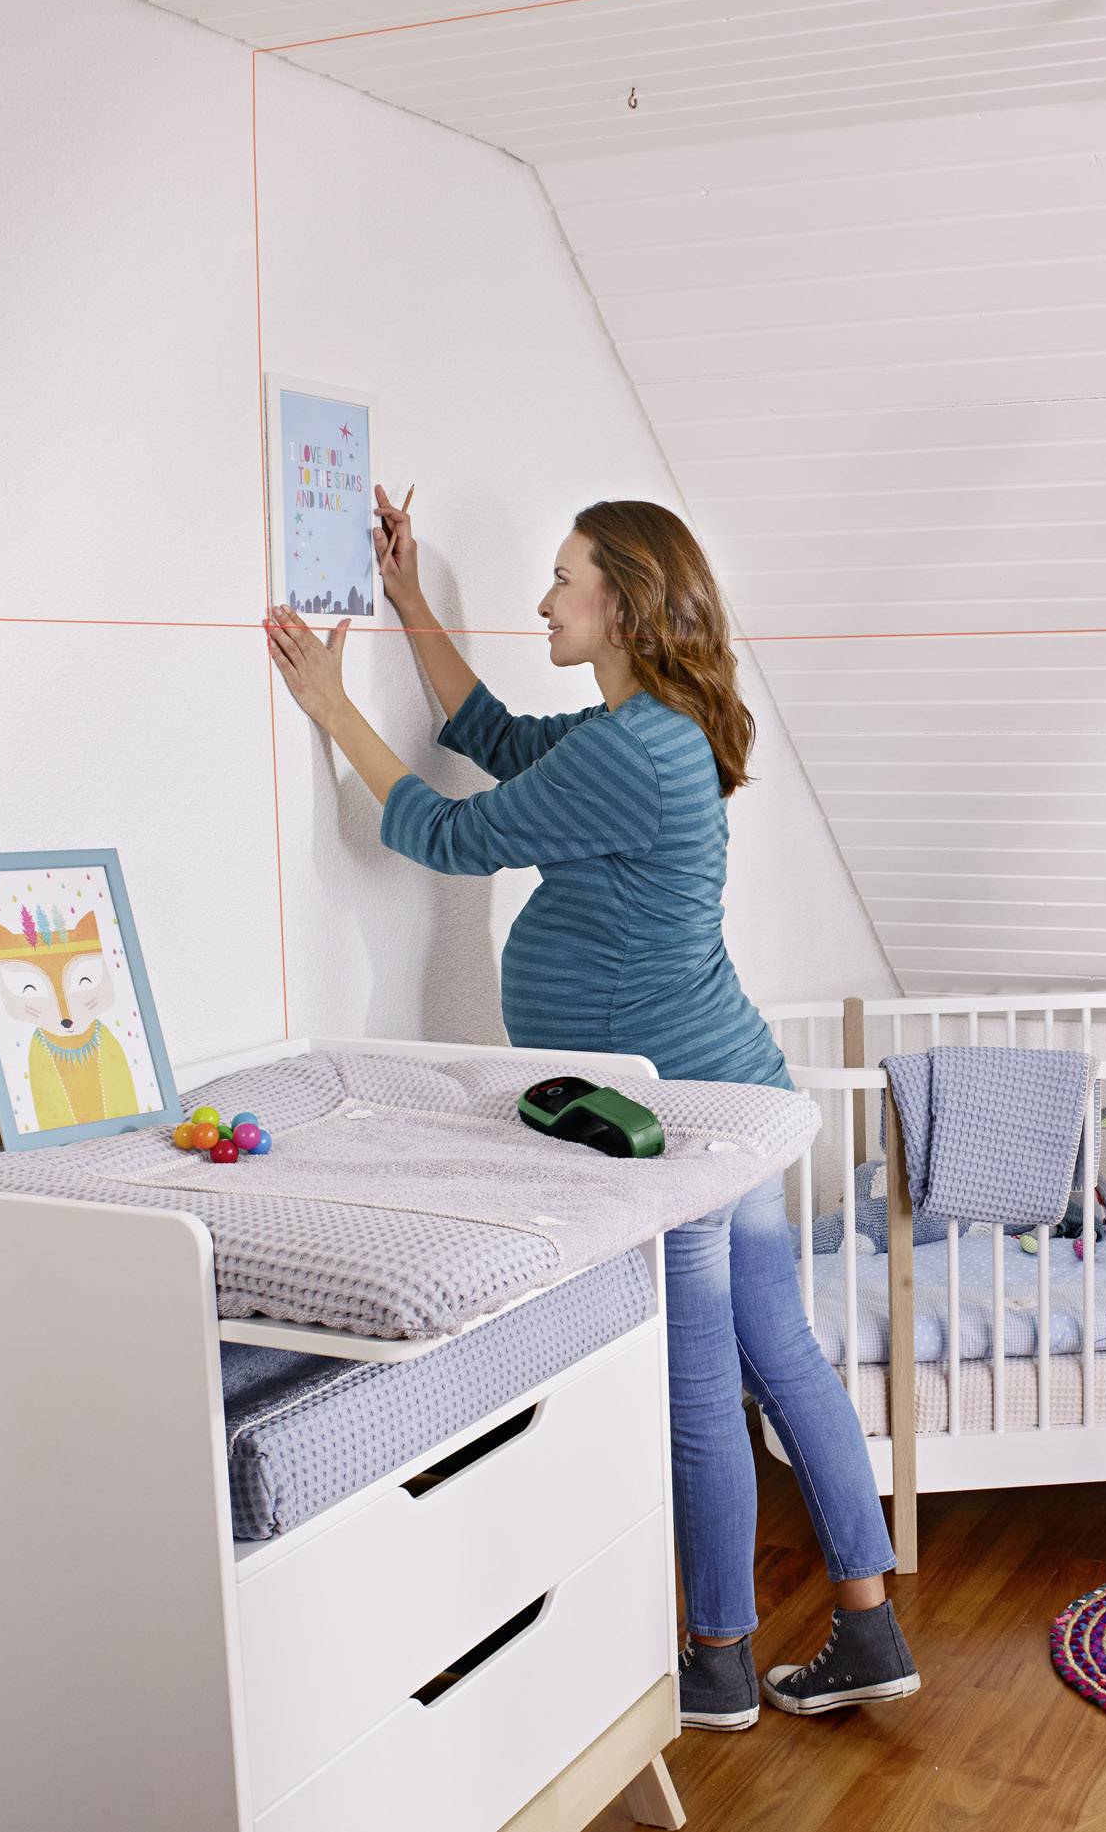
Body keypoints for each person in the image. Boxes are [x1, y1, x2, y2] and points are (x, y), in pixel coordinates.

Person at [263, 489, 917, 1732]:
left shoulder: (633, 748)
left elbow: (449, 833)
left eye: (564, 580)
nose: (544, 600)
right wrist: (408, 598)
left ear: (625, 602)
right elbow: (499, 739)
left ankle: (717, 1663)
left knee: (699, 1383)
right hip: (725, 1090)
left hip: (674, 1120)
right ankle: (869, 1625)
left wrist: (331, 706)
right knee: (778, 1354)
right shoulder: (648, 726)